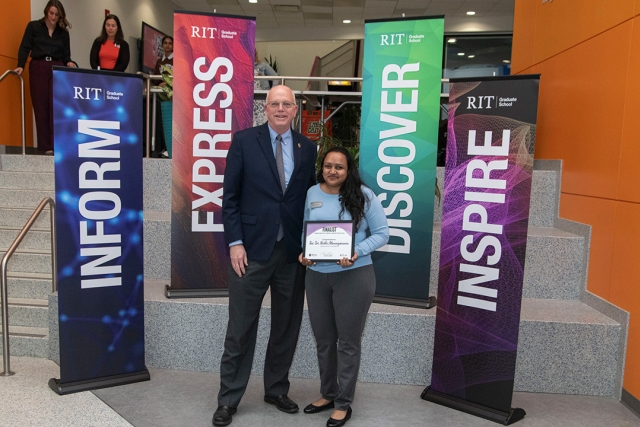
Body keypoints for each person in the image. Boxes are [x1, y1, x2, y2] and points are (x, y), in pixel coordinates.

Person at [214, 85, 317, 426]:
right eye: (275, 103)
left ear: (296, 109)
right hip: (251, 251)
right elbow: (229, 199)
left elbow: (309, 200)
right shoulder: (244, 141)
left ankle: (276, 389)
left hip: (292, 254)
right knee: (240, 328)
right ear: (265, 108)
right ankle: (228, 399)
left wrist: (314, 244)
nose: (281, 109)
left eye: (287, 104)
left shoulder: (307, 147)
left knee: (286, 327)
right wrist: (235, 242)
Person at [298, 147, 389, 427]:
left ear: (348, 170)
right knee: (324, 340)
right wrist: (304, 252)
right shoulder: (312, 193)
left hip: (354, 276)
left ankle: (343, 403)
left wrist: (356, 251)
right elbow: (306, 231)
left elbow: (383, 234)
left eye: (339, 167)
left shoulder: (363, 195)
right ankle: (328, 393)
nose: (333, 171)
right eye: (328, 166)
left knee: (348, 343)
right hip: (316, 276)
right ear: (321, 168)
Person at [15, 0, 76, 154]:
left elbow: (66, 55)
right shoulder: (34, 27)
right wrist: (21, 65)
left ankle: (57, 144)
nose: (53, 17)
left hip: (57, 68)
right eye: (51, 13)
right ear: (46, 11)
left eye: (56, 14)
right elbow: (25, 47)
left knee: (56, 106)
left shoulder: (63, 34)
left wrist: (69, 63)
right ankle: (46, 146)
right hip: (39, 66)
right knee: (40, 105)